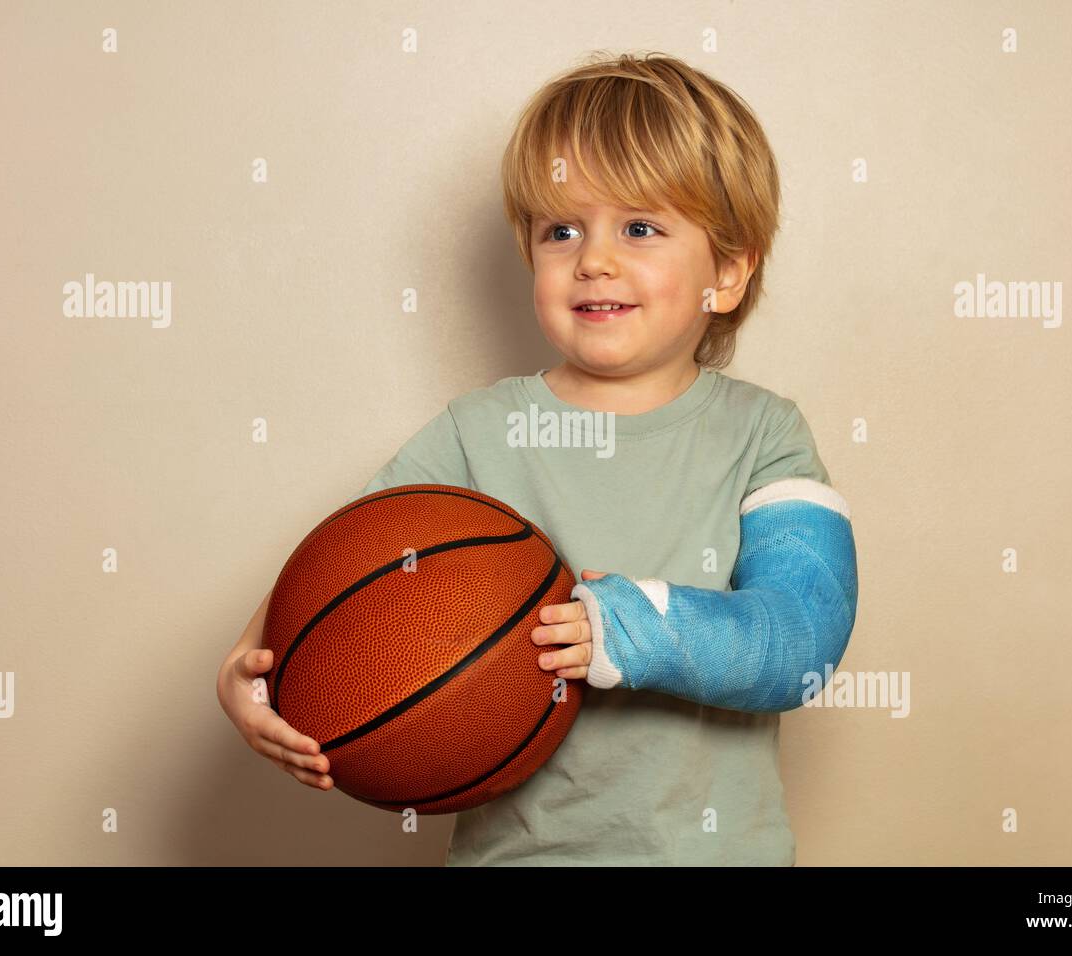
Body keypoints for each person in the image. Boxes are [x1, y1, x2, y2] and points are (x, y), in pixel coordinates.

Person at [216, 51, 858, 865]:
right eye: (562, 230)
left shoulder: (766, 435)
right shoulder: (475, 432)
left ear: (726, 272)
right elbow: (337, 580)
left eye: (640, 228)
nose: (593, 258)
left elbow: (801, 638)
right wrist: (248, 670)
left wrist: (630, 628)